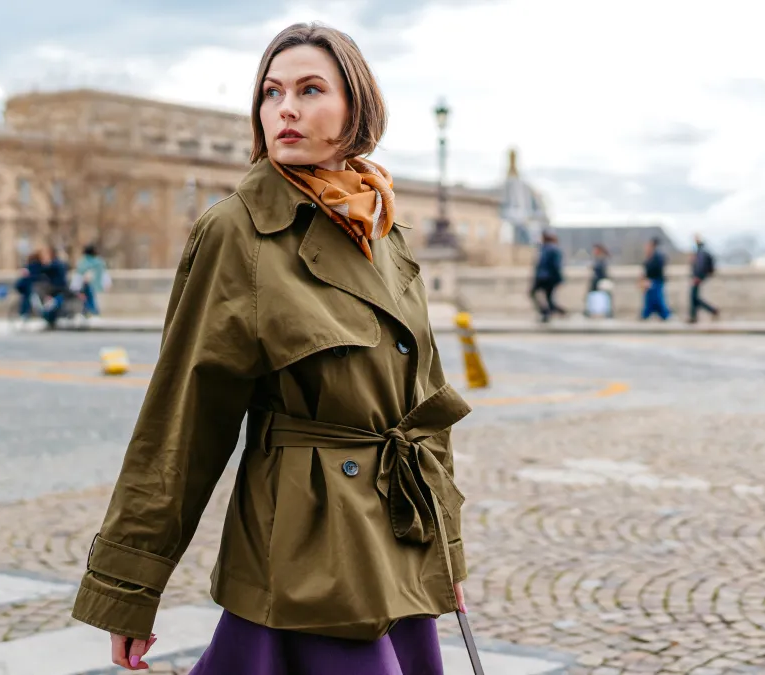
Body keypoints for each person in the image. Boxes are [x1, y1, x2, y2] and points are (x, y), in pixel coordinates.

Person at [69, 23, 470, 675]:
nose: (285, 108)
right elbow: (183, 420)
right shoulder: (238, 231)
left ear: (357, 105)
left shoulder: (387, 228)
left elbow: (426, 407)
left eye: (310, 89)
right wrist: (128, 588)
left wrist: (445, 551)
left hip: (396, 539)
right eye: (271, 92)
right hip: (307, 548)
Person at [529, 230, 565, 322]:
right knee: (548, 297)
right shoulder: (550, 248)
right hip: (548, 277)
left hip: (544, 277)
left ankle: (547, 312)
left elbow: (553, 265)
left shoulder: (547, 249)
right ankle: (555, 311)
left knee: (535, 293)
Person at [688, 235, 719, 323]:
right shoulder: (701, 251)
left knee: (694, 297)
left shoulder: (700, 253)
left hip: (698, 277)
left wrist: (697, 276)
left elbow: (699, 266)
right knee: (694, 297)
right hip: (699, 277)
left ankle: (712, 310)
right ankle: (694, 316)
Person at [640, 237, 670, 321]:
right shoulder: (651, 255)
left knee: (657, 299)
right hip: (651, 281)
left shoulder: (657, 255)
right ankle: (646, 315)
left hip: (655, 280)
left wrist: (649, 279)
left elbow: (657, 268)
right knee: (650, 299)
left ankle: (665, 315)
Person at [75, 244, 108, 317]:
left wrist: (76, 288)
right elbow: (104, 275)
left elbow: (78, 277)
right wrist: (107, 285)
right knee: (95, 305)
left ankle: (89, 313)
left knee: (87, 303)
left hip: (86, 289)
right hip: (98, 288)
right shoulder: (100, 262)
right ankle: (94, 313)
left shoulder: (82, 262)